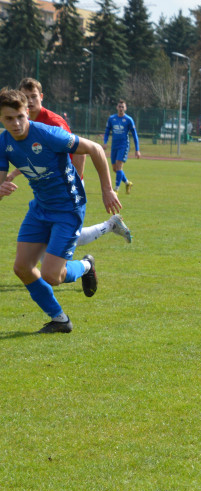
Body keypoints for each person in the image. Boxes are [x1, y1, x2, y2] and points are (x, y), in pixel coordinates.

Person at [0, 88, 121, 333]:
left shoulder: (48, 134)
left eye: (20, 117)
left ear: (27, 114)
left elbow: (95, 149)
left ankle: (86, 265)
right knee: (22, 267)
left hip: (68, 208)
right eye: (8, 118)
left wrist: (107, 190)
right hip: (40, 209)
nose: (16, 123)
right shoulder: (3, 142)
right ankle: (60, 320)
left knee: (51, 276)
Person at [15, 78, 131, 245]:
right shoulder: (22, 124)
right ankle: (110, 226)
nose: (30, 101)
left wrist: (74, 183)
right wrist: (12, 174)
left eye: (33, 96)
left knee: (62, 239)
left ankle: (88, 261)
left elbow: (80, 152)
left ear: (41, 97)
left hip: (67, 185)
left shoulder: (54, 123)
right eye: (26, 97)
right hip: (47, 188)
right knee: (62, 238)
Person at [103, 99, 141, 194]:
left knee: (119, 167)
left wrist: (137, 149)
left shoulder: (128, 120)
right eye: (119, 106)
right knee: (115, 169)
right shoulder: (112, 119)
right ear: (117, 107)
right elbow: (107, 131)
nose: (121, 108)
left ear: (125, 108)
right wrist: (105, 142)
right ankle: (128, 183)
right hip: (114, 146)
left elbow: (135, 135)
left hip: (123, 146)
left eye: (122, 107)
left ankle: (116, 189)